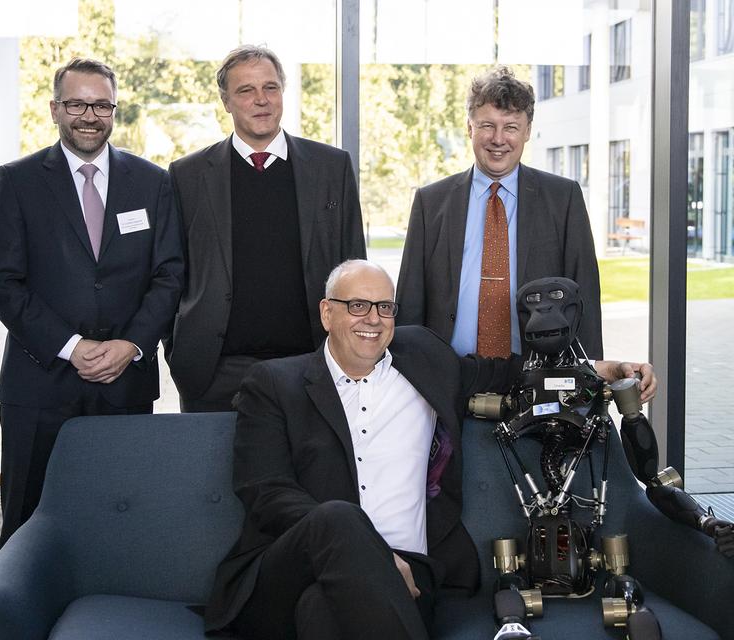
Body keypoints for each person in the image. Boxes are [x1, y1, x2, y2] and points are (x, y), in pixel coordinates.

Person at [203, 259, 655, 639]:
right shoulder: (275, 384)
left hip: (411, 576)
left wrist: (606, 368)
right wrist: (372, 557)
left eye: (384, 306)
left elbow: (509, 374)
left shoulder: (424, 358)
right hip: (290, 568)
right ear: (327, 313)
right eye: (357, 305)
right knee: (338, 518)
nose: (373, 319)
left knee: (322, 613)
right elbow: (266, 492)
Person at [0, 57, 184, 548]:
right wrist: (71, 347)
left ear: (115, 110)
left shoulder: (152, 182)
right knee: (28, 527)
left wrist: (132, 345)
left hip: (126, 387)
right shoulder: (20, 180)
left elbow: (170, 274)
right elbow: (3, 282)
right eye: (77, 104)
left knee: (124, 525)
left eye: (101, 105)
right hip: (39, 386)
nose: (89, 116)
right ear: (54, 109)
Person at [166, 44, 366, 412]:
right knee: (214, 471)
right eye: (246, 90)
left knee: (311, 471)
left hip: (312, 365)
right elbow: (171, 275)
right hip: (214, 372)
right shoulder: (187, 175)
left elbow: (354, 266)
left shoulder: (331, 168)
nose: (261, 100)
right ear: (226, 101)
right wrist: (180, 355)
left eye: (270, 88)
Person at [396, 66, 603, 360]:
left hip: (538, 374)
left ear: (527, 131)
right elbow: (410, 303)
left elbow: (586, 302)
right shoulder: (431, 203)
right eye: (487, 125)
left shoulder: (563, 199)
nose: (498, 139)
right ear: (469, 127)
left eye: (510, 127)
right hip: (448, 376)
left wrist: (589, 377)